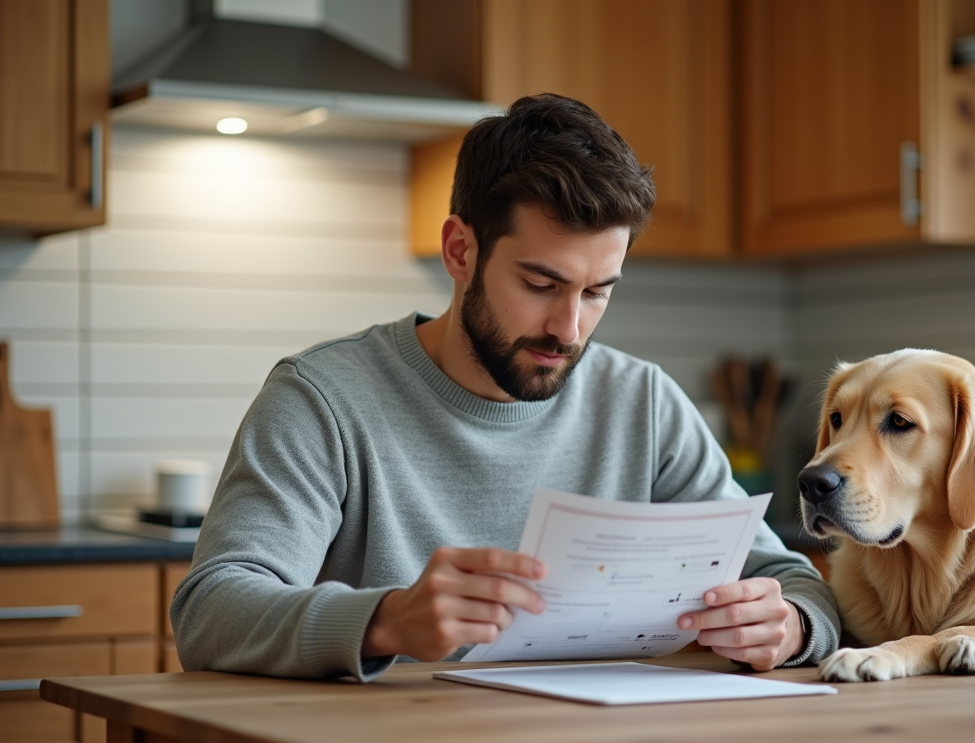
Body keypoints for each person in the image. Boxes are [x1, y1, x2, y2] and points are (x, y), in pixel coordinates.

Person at [171, 94, 839, 681]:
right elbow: (209, 612)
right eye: (541, 284)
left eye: (597, 292)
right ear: (460, 251)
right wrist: (387, 620)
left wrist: (790, 626)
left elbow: (791, 580)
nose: (569, 329)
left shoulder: (644, 402)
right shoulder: (323, 398)